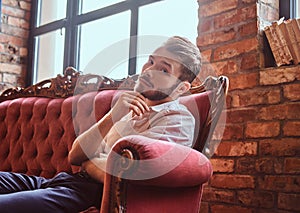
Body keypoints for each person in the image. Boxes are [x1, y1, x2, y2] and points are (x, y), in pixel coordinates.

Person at [0, 36, 202, 213]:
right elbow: (76, 155)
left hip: (88, 194)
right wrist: (113, 115)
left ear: (182, 88)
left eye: (164, 69)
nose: (149, 71)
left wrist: (90, 163)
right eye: (150, 61)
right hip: (62, 181)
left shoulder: (177, 120)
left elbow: (129, 179)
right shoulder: (130, 107)